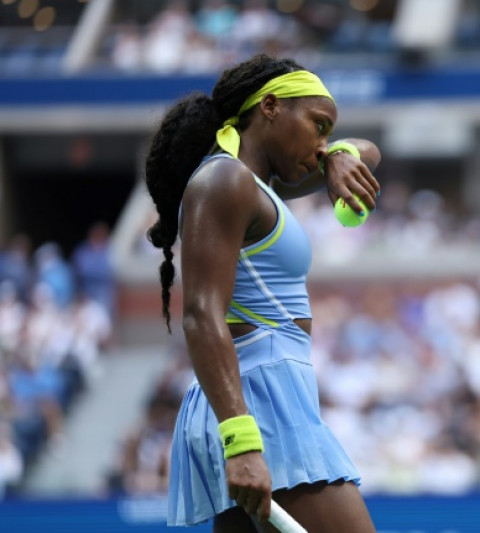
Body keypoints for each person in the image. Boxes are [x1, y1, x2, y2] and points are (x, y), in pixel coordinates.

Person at [144, 54, 381, 532]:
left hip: (259, 398)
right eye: (318, 126)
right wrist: (241, 441)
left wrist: (338, 155)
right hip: (258, 402)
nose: (321, 144)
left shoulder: (253, 185)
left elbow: (369, 152)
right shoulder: (224, 179)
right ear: (270, 107)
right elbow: (200, 315)